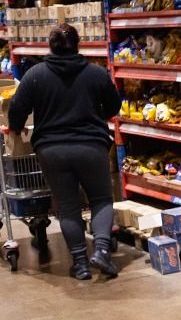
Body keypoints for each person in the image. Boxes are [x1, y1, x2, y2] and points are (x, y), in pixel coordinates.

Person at [7, 24, 121, 281]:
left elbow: (17, 110)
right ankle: (101, 250)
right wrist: (94, 118)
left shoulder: (35, 75)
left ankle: (80, 263)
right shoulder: (96, 73)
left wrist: (15, 128)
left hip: (52, 150)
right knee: (101, 199)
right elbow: (114, 106)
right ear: (78, 44)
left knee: (68, 207)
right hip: (91, 146)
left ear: (51, 46)